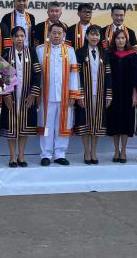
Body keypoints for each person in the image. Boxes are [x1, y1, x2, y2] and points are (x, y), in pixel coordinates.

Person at [36, 23, 82, 166]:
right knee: (47, 126)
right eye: (54, 32)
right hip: (45, 96)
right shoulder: (40, 50)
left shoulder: (70, 50)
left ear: (64, 35)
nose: (56, 35)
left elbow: (74, 73)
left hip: (64, 97)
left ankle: (60, 154)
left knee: (62, 125)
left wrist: (74, 94)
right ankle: (46, 154)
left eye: (59, 33)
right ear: (48, 34)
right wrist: (36, 93)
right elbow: (36, 74)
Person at [0, 26, 41, 167]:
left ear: (25, 37)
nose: (19, 38)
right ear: (11, 38)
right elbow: (0, 76)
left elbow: (37, 74)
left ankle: (21, 156)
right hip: (10, 95)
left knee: (24, 126)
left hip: (26, 95)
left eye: (22, 36)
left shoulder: (32, 52)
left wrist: (33, 94)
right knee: (11, 126)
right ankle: (12, 157)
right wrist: (5, 95)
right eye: (16, 36)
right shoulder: (5, 53)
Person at [74, 25, 113, 164]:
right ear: (86, 36)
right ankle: (86, 151)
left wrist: (109, 94)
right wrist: (80, 94)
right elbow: (76, 75)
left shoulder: (104, 53)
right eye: (92, 34)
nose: (95, 37)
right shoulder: (79, 53)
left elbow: (109, 75)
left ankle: (94, 151)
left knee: (97, 122)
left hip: (100, 93)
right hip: (86, 94)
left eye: (97, 35)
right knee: (85, 121)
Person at [106, 29, 137, 164]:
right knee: (114, 122)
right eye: (118, 38)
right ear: (114, 40)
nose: (120, 40)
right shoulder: (109, 55)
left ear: (127, 40)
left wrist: (134, 94)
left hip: (127, 93)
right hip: (113, 93)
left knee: (126, 121)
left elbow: (136, 77)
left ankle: (124, 150)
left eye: (123, 38)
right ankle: (116, 150)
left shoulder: (133, 55)